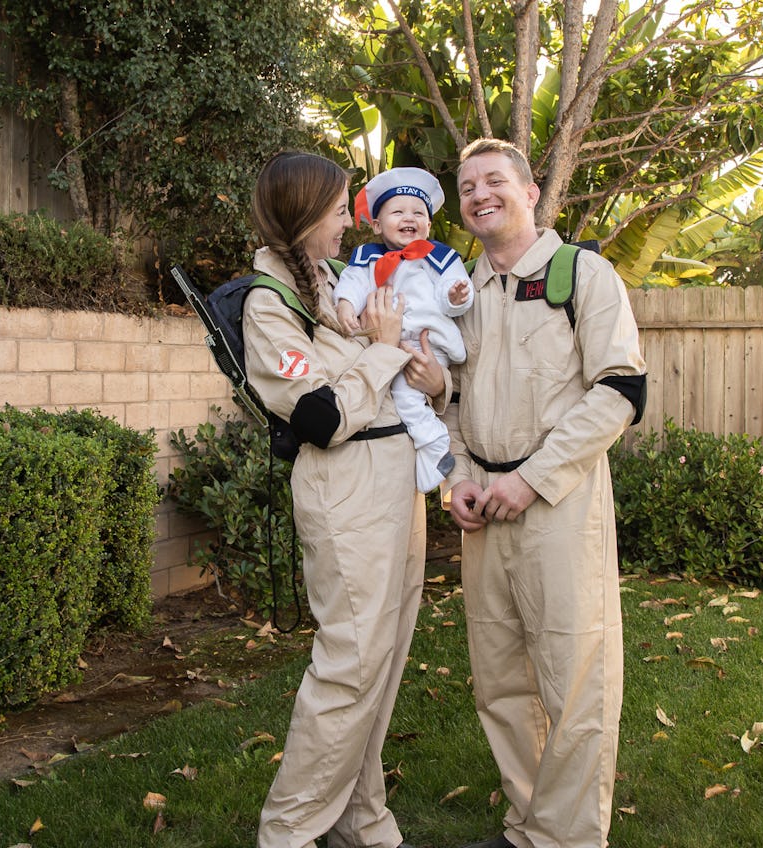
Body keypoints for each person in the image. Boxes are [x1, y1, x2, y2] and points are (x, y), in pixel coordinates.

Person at [444, 138, 647, 848]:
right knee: (499, 680)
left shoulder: (580, 274)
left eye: (495, 181)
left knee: (573, 677)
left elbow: (621, 389)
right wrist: (458, 479)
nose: (480, 195)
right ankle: (526, 825)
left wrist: (532, 478)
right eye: (467, 186)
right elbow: (447, 399)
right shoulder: (458, 293)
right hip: (483, 508)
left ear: (531, 193)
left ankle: (566, 839)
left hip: (557, 501)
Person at [243, 150, 444, 848]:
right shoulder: (270, 304)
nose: (347, 221)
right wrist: (385, 350)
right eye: (337, 210)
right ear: (303, 217)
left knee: (384, 656)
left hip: (394, 475)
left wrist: (416, 367)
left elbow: (372, 372)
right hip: (346, 485)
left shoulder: (329, 280)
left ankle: (359, 815)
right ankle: (291, 831)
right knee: (351, 661)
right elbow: (320, 417)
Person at [334, 167, 474, 493]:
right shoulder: (367, 257)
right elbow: (353, 283)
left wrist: (455, 296)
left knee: (406, 396)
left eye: (418, 212)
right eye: (398, 211)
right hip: (388, 344)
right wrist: (344, 304)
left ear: (427, 224)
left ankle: (435, 443)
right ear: (377, 224)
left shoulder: (438, 255)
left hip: (428, 342)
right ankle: (430, 447)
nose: (408, 217)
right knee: (399, 398)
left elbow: (455, 287)